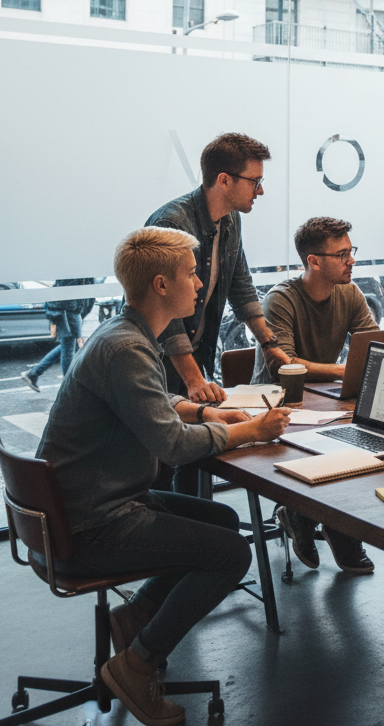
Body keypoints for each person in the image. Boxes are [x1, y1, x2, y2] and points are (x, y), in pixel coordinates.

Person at [34, 227, 290, 726]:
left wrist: (203, 413)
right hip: (91, 526)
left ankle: (137, 617)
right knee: (231, 552)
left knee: (218, 518)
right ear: (160, 285)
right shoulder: (127, 349)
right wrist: (250, 432)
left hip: (80, 508)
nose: (200, 284)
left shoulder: (123, 334)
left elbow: (150, 402)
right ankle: (135, 664)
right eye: (192, 274)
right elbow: (170, 445)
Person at [146, 133, 290, 492]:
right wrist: (195, 380)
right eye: (255, 181)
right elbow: (165, 314)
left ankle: (194, 525)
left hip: (196, 353)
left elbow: (240, 284)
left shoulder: (230, 220)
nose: (260, 191)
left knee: (197, 460)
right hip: (158, 358)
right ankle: (174, 530)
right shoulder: (173, 221)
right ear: (224, 180)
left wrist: (270, 344)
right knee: (162, 458)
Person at [251, 216, 377, 574]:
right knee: (329, 442)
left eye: (351, 251)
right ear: (314, 261)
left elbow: (373, 345)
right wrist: (342, 370)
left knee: (359, 438)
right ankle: (315, 519)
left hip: (323, 400)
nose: (351, 260)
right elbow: (285, 364)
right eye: (342, 254)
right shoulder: (280, 299)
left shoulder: (349, 292)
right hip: (276, 402)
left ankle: (328, 523)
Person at [20, 277, 96, 391]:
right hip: (67, 312)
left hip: (69, 311)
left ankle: (34, 373)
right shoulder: (75, 268)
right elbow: (68, 297)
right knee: (69, 348)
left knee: (69, 345)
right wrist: (76, 315)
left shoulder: (80, 266)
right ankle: (69, 387)